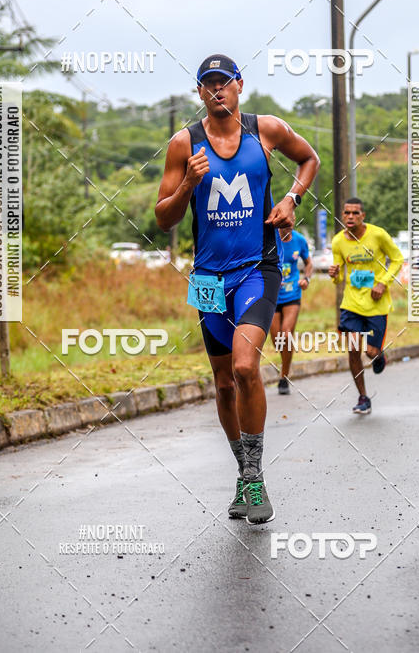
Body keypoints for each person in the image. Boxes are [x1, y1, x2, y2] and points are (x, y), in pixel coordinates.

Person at [155, 55, 318, 523]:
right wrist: (188, 183)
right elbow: (163, 216)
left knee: (246, 366)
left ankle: (255, 477)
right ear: (199, 92)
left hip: (257, 269)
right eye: (208, 84)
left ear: (239, 85)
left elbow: (309, 159)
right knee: (223, 382)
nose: (217, 90)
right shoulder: (184, 143)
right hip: (207, 278)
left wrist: (291, 199)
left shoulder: (265, 130)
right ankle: (244, 473)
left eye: (224, 82)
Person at [328, 198, 404, 415]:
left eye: (355, 213)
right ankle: (363, 397)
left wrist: (383, 283)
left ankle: (378, 356)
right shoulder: (337, 242)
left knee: (370, 352)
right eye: (347, 213)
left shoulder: (378, 235)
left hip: (376, 304)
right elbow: (338, 277)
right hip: (351, 303)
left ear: (363, 216)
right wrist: (334, 274)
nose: (350, 217)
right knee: (353, 350)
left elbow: (397, 259)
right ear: (343, 216)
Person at [269, 228, 313, 394]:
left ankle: (284, 377)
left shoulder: (299, 240)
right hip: (272, 295)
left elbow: (309, 263)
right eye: (283, 223)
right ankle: (285, 365)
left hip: (292, 293)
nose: (286, 226)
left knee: (286, 335)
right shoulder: (269, 238)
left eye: (290, 222)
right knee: (277, 340)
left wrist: (306, 279)